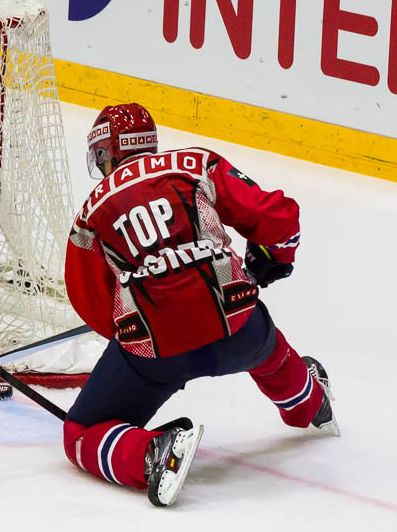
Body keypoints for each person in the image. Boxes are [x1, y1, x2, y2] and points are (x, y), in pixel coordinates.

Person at [62, 102, 338, 507]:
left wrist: (128, 338)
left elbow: (87, 297)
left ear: (106, 154)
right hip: (237, 331)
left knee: (80, 432)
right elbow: (276, 216)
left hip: (158, 353)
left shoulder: (92, 212)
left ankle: (152, 453)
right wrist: (277, 257)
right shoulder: (196, 164)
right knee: (269, 351)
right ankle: (310, 404)